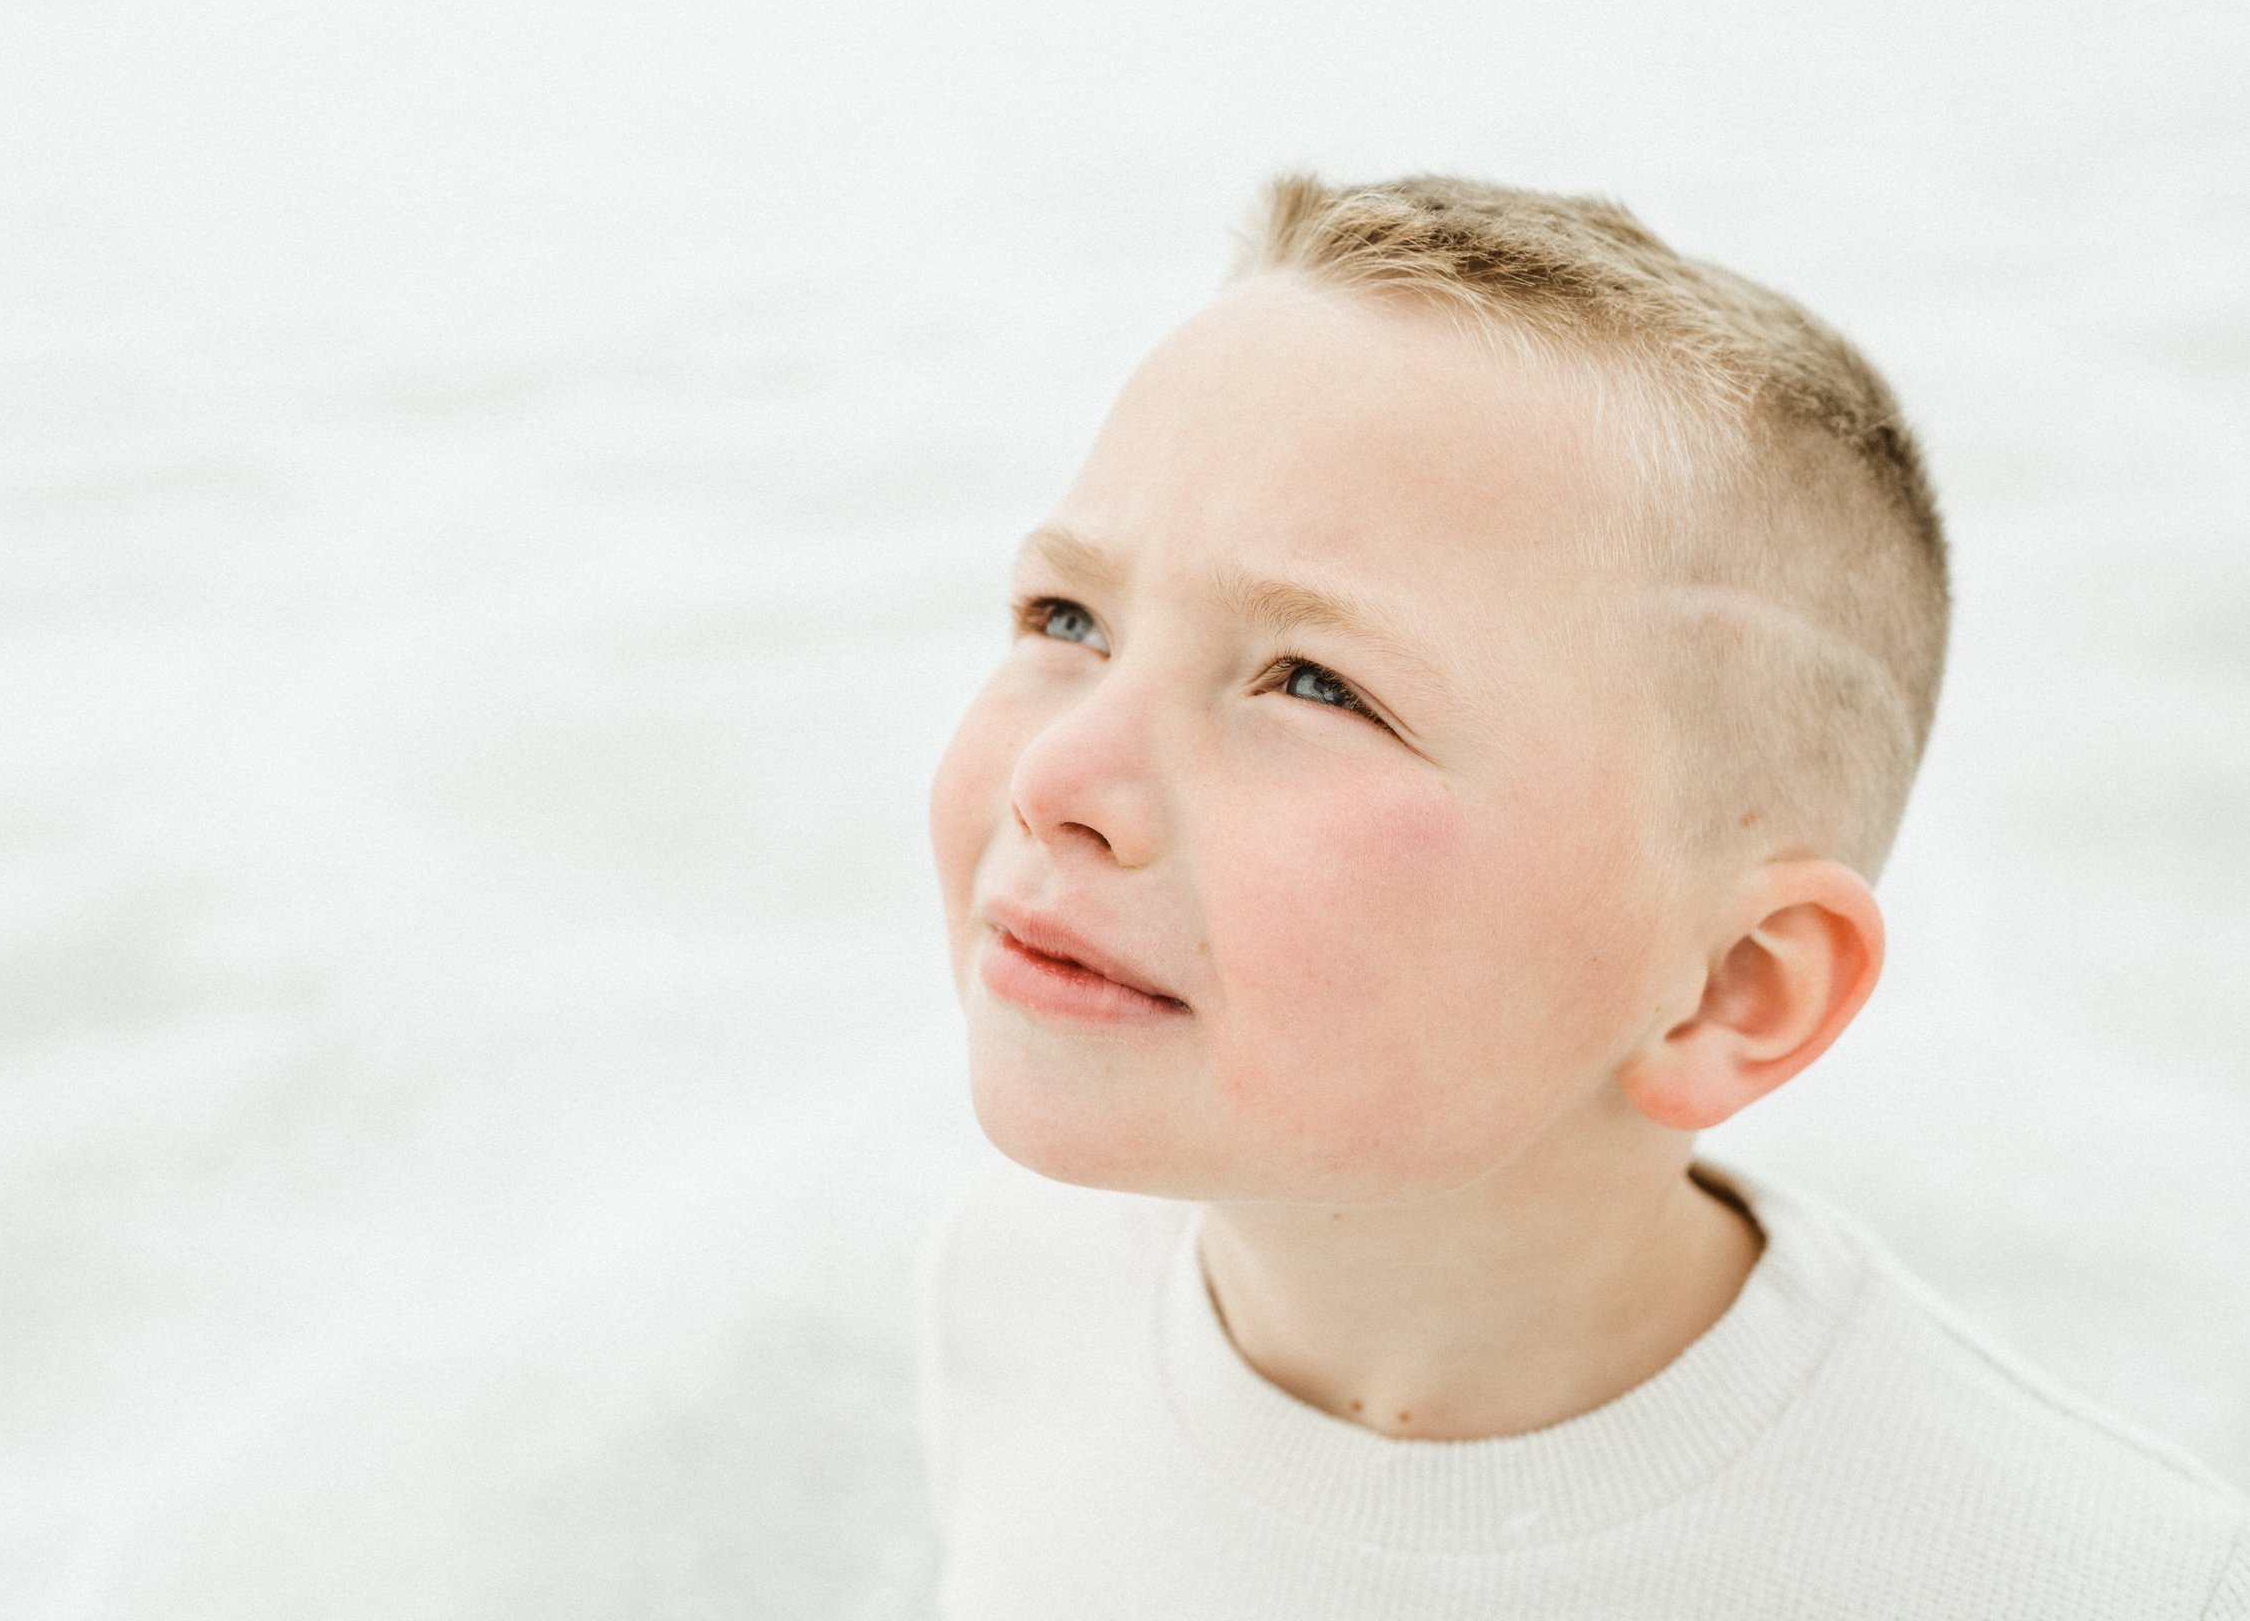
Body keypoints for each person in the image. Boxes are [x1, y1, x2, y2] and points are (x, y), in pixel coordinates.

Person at [915, 173, 2249, 1617]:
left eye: (1317, 684)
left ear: (1734, 986)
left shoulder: (2087, 1583)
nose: (1058, 772)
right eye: (1069, 619)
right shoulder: (1017, 1300)